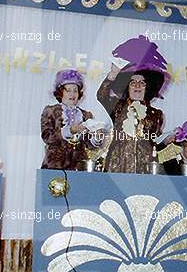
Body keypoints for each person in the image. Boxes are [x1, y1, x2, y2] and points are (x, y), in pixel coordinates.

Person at [97, 35, 169, 173]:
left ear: (147, 87)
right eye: (133, 82)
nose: (137, 85)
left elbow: (155, 142)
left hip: (144, 167)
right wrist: (112, 75)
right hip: (117, 164)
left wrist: (167, 141)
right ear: (127, 87)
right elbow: (102, 95)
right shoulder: (117, 107)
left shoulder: (157, 115)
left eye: (141, 82)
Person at [41, 69, 104, 170]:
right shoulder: (50, 111)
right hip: (54, 166)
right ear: (60, 92)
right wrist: (70, 130)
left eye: (75, 90)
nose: (72, 94)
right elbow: (47, 137)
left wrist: (97, 137)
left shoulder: (86, 115)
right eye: (68, 90)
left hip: (79, 168)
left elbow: (91, 146)